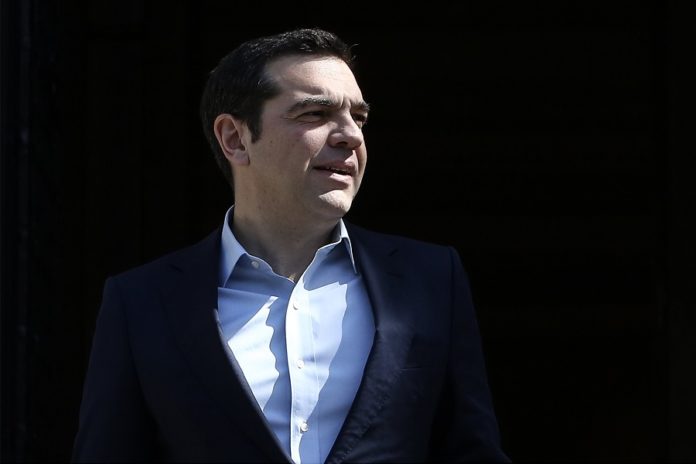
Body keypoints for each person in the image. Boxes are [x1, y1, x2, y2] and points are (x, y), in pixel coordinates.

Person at [72, 27, 510, 463]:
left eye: (358, 118)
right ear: (235, 139)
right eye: (314, 114)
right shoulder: (142, 302)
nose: (351, 135)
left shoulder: (430, 279)